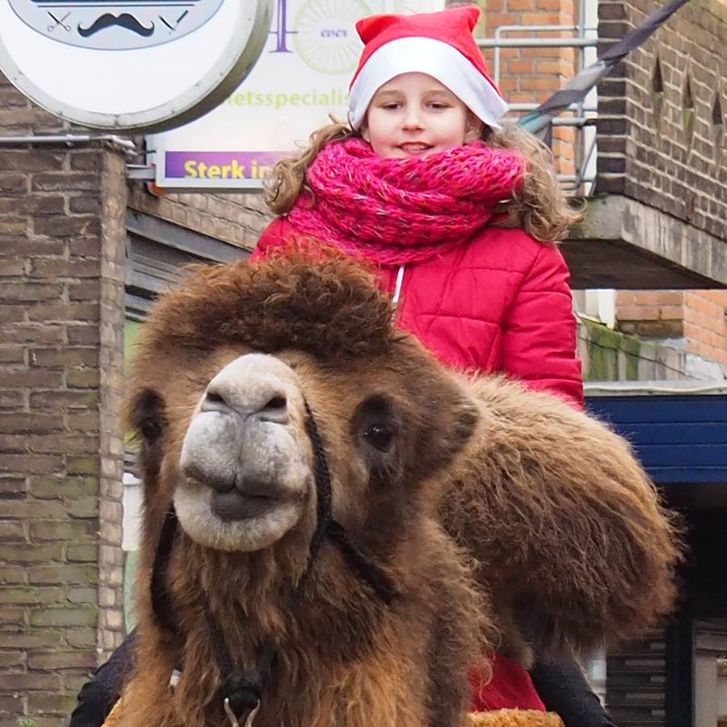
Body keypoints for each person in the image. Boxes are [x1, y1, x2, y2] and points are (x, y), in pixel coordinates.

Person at [70, 6, 615, 726]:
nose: (412, 121)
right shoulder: (295, 236)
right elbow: (244, 366)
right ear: (362, 119)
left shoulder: (524, 257)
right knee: (107, 701)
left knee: (567, 712)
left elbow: (548, 407)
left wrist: (449, 470)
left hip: (451, 522)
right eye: (391, 104)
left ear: (475, 121)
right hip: (297, 511)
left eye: (435, 104)